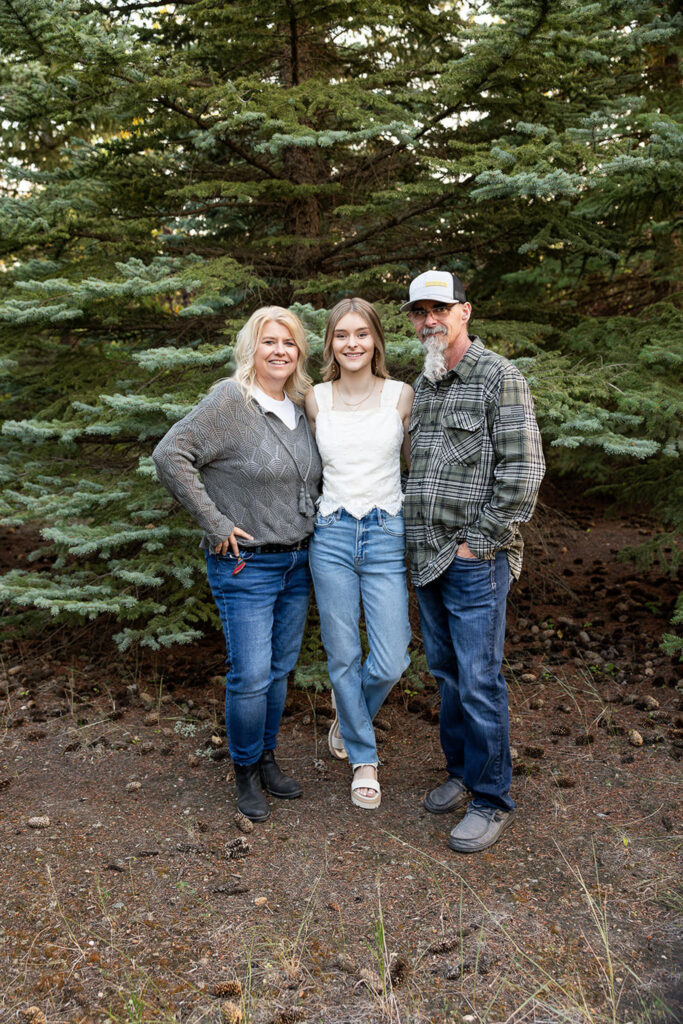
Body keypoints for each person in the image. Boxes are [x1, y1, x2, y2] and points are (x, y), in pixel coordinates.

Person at [152, 307, 322, 823]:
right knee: (249, 675)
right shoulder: (231, 400)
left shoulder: (302, 405)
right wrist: (215, 522)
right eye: (269, 342)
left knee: (278, 671)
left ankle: (267, 756)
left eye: (288, 343)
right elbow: (170, 454)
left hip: (298, 562)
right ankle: (244, 770)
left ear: (299, 353)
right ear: (252, 348)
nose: (279, 351)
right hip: (246, 567)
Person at [402, 271, 545, 852]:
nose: (428, 320)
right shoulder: (428, 380)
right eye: (418, 312)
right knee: (446, 674)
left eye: (439, 309)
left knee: (480, 679)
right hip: (425, 554)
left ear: (465, 311)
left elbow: (522, 474)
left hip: (472, 559)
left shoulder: (498, 378)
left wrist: (477, 542)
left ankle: (491, 798)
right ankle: (461, 773)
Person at [304, 298, 413, 809]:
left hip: (386, 533)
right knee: (344, 654)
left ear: (376, 342)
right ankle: (363, 758)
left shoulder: (401, 395)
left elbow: (413, 464)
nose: (352, 343)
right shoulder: (315, 400)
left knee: (391, 659)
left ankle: (349, 712)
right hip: (331, 535)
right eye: (342, 334)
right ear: (330, 343)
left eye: (362, 334)